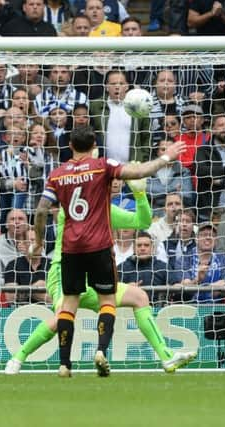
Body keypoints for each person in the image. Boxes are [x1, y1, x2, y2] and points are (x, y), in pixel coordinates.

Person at [33, 126, 185, 377]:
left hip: (70, 250)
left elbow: (40, 211)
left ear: (70, 146)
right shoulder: (102, 165)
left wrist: (39, 243)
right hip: (99, 247)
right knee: (107, 301)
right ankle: (101, 350)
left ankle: (64, 365)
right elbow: (139, 170)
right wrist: (167, 156)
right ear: (95, 145)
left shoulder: (57, 174)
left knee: (67, 306)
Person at [5, 183, 196, 375]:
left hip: (92, 275)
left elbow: (143, 222)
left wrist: (139, 194)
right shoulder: (74, 209)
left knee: (139, 297)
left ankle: (166, 356)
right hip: (65, 270)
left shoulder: (104, 209)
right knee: (60, 318)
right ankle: (18, 357)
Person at [2, 227, 50, 305]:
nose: (36, 244)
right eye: (32, 240)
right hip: (21, 313)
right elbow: (11, 298)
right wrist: (36, 288)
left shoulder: (52, 265)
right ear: (23, 243)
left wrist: (23, 289)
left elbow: (55, 299)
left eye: (39, 240)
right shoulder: (13, 265)